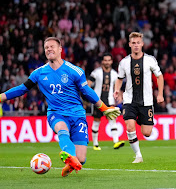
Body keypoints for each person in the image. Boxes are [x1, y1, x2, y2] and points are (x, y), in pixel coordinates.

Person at [0, 37, 120, 177]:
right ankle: (69, 155)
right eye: (46, 48)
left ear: (60, 49)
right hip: (56, 113)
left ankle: (70, 164)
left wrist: (104, 108)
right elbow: (22, 89)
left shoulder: (75, 71)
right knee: (62, 130)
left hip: (77, 115)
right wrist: (1, 97)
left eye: (52, 46)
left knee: (81, 159)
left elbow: (87, 92)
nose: (49, 49)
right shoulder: (39, 73)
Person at [114, 32, 164, 163]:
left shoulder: (150, 60)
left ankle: (137, 119)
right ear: (130, 44)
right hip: (129, 100)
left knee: (147, 133)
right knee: (130, 127)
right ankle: (138, 155)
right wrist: (116, 90)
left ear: (142, 44)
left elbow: (160, 76)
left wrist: (160, 94)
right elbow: (119, 79)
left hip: (146, 101)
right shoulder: (124, 62)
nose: (136, 45)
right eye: (133, 43)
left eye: (138, 43)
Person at [88, 53, 125, 150]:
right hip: (97, 101)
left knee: (113, 121)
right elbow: (88, 83)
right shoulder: (96, 72)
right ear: (102, 61)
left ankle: (116, 142)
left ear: (112, 61)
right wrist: (88, 94)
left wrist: (119, 95)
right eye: (105, 60)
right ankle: (95, 144)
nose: (107, 62)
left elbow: (117, 87)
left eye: (109, 60)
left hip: (110, 101)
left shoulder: (114, 74)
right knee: (96, 122)